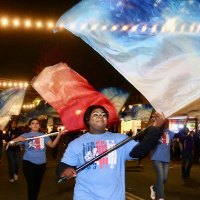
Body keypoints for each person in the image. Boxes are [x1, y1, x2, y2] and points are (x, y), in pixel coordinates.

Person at [57, 105, 166, 200]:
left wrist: (155, 129)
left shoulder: (120, 139)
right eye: (96, 114)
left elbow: (139, 152)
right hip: (85, 196)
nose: (101, 116)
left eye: (104, 115)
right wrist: (65, 170)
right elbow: (63, 165)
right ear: (87, 120)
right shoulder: (76, 143)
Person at [10, 118, 64, 200]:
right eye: (33, 123)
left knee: (37, 185)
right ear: (30, 125)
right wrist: (17, 141)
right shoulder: (25, 135)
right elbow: (11, 144)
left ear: (39, 125)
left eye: (37, 123)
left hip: (41, 165)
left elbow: (52, 145)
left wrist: (59, 135)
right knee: (32, 185)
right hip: (29, 163)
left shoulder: (44, 136)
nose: (35, 125)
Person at [149, 119, 177, 200]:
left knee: (164, 179)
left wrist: (185, 123)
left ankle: (153, 188)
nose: (166, 124)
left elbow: (179, 134)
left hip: (166, 159)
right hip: (156, 158)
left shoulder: (170, 132)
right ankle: (161, 197)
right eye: (165, 123)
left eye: (167, 123)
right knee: (161, 178)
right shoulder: (156, 131)